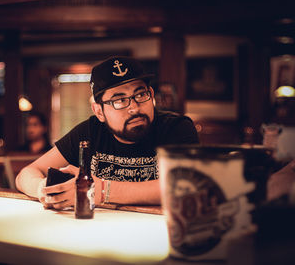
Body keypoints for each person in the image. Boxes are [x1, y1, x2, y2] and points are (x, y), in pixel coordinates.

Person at [16, 56, 199, 209]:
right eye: (119, 100)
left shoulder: (176, 128)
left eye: (140, 94)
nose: (134, 108)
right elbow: (27, 173)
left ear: (151, 94)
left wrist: (101, 190)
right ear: (99, 111)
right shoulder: (89, 131)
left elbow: (183, 187)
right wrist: (42, 189)